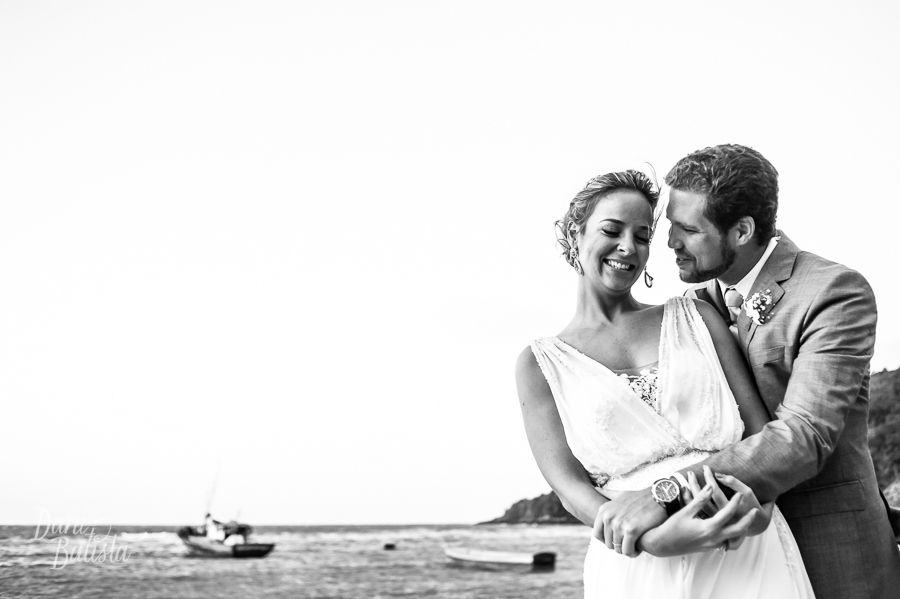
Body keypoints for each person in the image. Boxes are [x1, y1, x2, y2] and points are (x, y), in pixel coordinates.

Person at [595, 145, 900, 599]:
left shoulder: (834, 292)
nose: (670, 243)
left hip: (829, 550)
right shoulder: (694, 308)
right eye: (670, 227)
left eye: (688, 229)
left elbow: (805, 435)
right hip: (731, 562)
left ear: (741, 230)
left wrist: (669, 491)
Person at [516, 170, 815, 599]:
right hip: (636, 565)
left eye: (642, 235)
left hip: (743, 544)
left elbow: (759, 433)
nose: (628, 247)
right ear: (574, 233)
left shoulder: (696, 317)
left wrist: (758, 511)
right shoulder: (538, 364)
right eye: (612, 230)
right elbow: (570, 488)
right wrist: (648, 541)